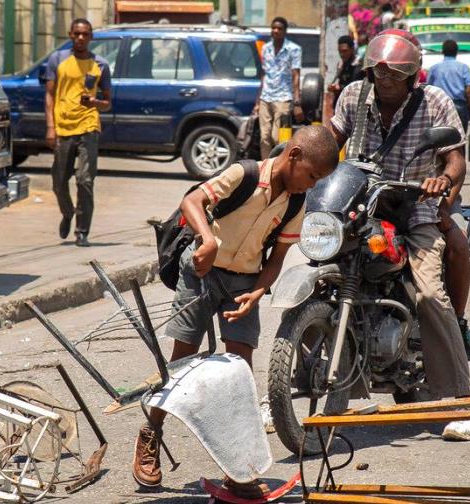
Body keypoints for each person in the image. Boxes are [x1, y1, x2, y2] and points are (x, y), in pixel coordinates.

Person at [132, 126, 340, 497]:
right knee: (181, 362)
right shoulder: (244, 173)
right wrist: (208, 239)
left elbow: (277, 257)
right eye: (311, 176)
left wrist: (259, 290)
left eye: (318, 181)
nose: (310, 186)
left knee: (239, 374)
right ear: (293, 156)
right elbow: (192, 202)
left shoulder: (296, 202)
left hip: (243, 283)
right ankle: (151, 433)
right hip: (200, 272)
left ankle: (238, 469)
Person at [328, 29, 470, 441]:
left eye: (394, 75)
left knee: (430, 293)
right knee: (323, 275)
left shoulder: (434, 103)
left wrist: (443, 181)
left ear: (413, 76)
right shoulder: (352, 97)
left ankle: (459, 402)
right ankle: (295, 387)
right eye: (379, 74)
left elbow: (455, 159)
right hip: (360, 204)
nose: (385, 82)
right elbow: (332, 142)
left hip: (416, 206)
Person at [425, 39, 470, 356]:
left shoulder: (434, 104)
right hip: (384, 202)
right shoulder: (360, 106)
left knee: (457, 246)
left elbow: (457, 165)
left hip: (432, 201)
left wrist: (444, 206)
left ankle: (456, 321)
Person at [45, 18, 112, 246]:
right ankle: (67, 212)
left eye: (85, 34)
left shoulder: (101, 65)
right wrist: (51, 127)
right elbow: (50, 96)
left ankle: (82, 231)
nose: (81, 38)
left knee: (85, 180)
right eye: (77, 34)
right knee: (58, 180)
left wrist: (95, 102)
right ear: (71, 35)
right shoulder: (57, 60)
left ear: (91, 37)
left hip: (88, 125)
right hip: (63, 127)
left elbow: (108, 103)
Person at [255, 17, 303, 159]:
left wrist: (297, 102)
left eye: (279, 28)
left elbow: (296, 76)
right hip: (266, 97)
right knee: (264, 137)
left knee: (278, 138)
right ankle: (265, 169)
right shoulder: (265, 48)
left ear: (284, 31)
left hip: (283, 98)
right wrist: (257, 101)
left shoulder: (293, 49)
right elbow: (264, 74)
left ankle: (278, 168)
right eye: (273, 28)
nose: (276, 31)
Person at [427, 39, 470, 133]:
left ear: (442, 52)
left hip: (439, 108)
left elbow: (428, 89)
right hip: (459, 108)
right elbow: (469, 91)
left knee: (440, 142)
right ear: (456, 52)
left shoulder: (434, 68)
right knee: (460, 140)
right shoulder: (463, 67)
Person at [328, 35, 366, 106]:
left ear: (352, 49)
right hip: (342, 103)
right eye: (340, 51)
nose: (342, 54)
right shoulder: (341, 64)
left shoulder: (361, 65)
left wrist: (339, 88)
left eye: (344, 51)